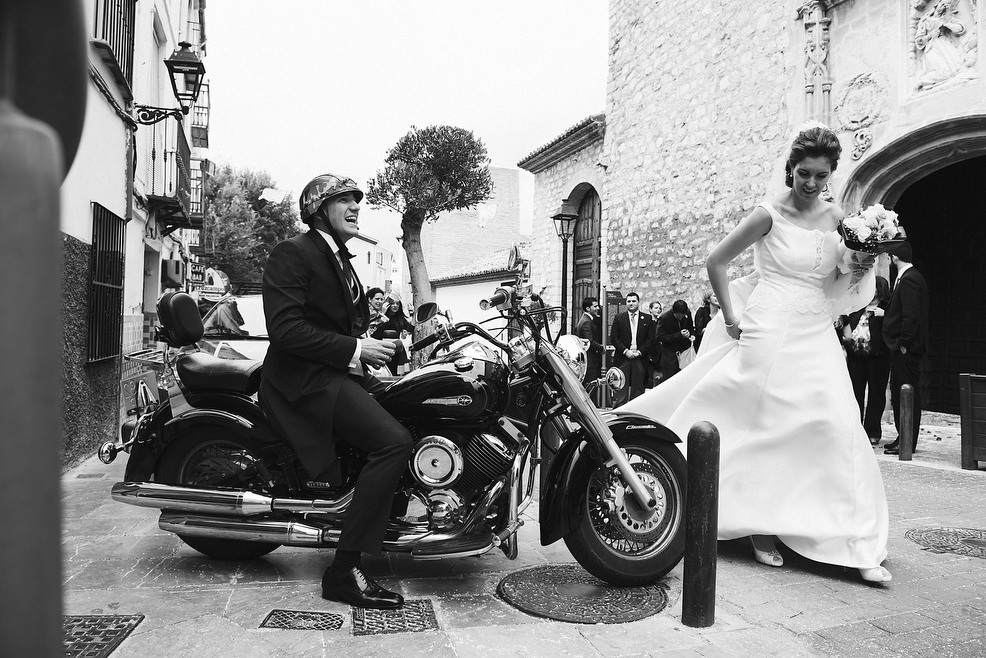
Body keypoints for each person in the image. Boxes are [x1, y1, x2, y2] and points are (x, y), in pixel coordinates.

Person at [623, 125, 892, 583]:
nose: (810, 183)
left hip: (814, 328)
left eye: (820, 176)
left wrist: (859, 266)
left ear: (830, 175)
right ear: (791, 169)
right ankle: (756, 526)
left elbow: (833, 286)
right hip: (768, 324)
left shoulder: (837, 218)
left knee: (835, 422)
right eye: (804, 173)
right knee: (760, 421)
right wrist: (731, 316)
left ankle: (853, 541)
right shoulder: (768, 213)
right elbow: (716, 261)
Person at [259, 173, 412, 608]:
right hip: (303, 380)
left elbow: (341, 325)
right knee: (393, 443)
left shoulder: (342, 259)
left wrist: (376, 347)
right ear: (318, 209)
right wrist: (356, 348)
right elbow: (286, 330)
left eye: (356, 201)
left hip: (334, 372)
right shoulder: (294, 252)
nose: (354, 207)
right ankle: (342, 572)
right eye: (343, 200)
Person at [882, 242, 930, 456]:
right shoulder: (908, 277)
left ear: (894, 258)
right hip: (904, 346)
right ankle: (904, 437)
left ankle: (907, 441)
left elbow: (911, 316)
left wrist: (903, 343)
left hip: (907, 348)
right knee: (901, 393)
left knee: (906, 392)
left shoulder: (910, 279)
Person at [840, 276, 891, 445]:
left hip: (878, 358)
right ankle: (856, 429)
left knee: (876, 395)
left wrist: (886, 316)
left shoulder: (886, 310)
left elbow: (892, 330)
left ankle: (872, 431)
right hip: (856, 357)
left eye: (874, 287)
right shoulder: (858, 308)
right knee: (855, 393)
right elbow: (847, 327)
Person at [609, 292, 652, 404]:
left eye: (633, 301)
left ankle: (636, 410)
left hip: (640, 357)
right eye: (628, 301)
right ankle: (620, 411)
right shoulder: (619, 318)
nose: (631, 303)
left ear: (638, 302)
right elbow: (614, 338)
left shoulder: (647, 319)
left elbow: (651, 339)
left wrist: (640, 352)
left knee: (638, 388)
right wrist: (625, 351)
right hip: (624, 357)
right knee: (621, 387)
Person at [372, 297, 414, 375]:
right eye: (392, 303)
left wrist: (413, 313)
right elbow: (375, 334)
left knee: (395, 373)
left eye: (397, 304)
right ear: (388, 305)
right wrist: (382, 315)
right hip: (382, 348)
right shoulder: (380, 317)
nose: (395, 306)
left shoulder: (400, 318)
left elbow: (410, 328)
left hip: (396, 350)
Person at [655, 300, 694, 382]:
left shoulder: (687, 313)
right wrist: (679, 335)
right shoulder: (664, 318)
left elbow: (691, 328)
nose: (681, 318)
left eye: (683, 316)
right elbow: (659, 337)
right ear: (674, 312)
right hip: (670, 357)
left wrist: (690, 334)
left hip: (685, 355)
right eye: (679, 316)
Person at [575, 296, 604, 390]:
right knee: (591, 389)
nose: (598, 309)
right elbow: (589, 341)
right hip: (590, 361)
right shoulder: (587, 322)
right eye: (595, 306)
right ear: (588, 308)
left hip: (587, 360)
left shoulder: (584, 319)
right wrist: (601, 348)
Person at [646, 301, 664, 387]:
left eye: (659, 308)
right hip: (651, 354)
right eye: (656, 308)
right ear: (650, 309)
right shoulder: (648, 322)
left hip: (660, 354)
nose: (658, 310)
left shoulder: (661, 322)